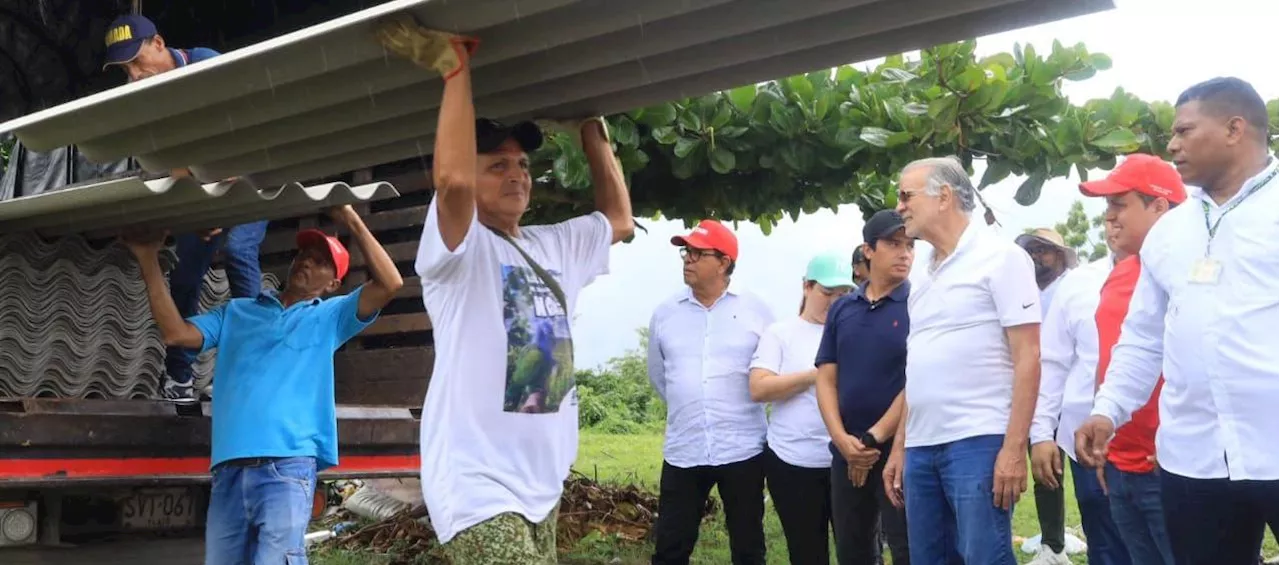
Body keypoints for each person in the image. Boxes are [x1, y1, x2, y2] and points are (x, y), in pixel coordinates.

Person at [384, 20, 635, 565]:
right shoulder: (458, 250)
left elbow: (619, 219)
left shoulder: (554, 246)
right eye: (496, 166)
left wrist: (590, 128)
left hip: (543, 485)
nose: (517, 174)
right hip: (476, 485)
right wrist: (456, 70)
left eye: (522, 164)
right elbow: (450, 183)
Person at [121, 204, 402, 564]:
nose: (306, 262)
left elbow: (391, 283)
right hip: (229, 469)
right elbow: (176, 333)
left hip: (286, 468)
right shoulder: (237, 311)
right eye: (303, 254)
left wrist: (348, 218)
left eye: (319, 261)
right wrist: (148, 259)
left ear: (333, 284)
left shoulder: (331, 316)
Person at [1076, 76, 1280, 565]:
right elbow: (1143, 337)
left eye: (1185, 131)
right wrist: (1109, 410)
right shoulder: (1169, 232)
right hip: (1194, 457)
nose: (1172, 145)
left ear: (1235, 128)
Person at [103, 13, 269, 401]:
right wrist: (199, 206)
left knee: (240, 250)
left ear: (159, 43)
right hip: (200, 187)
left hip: (248, 178)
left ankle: (254, 365)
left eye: (138, 60)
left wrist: (213, 195)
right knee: (185, 277)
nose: (135, 74)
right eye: (125, 69)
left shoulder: (207, 65)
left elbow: (244, 134)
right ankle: (179, 378)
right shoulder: (144, 96)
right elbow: (165, 161)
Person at [886, 156, 1041, 564]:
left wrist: (1013, 450)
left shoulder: (1001, 257)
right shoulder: (920, 272)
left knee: (984, 557)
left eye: (906, 195)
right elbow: (916, 366)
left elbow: (1028, 357)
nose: (899, 206)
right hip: (921, 446)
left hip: (978, 439)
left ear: (944, 197)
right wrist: (901, 445)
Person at [1076, 153, 1186, 565]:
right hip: (1121, 466)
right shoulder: (1122, 273)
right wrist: (1111, 438)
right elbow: (1114, 360)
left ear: (1159, 205)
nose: (1109, 217)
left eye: (1119, 204)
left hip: (1173, 467)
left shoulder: (1194, 269)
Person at [648, 219, 774, 565]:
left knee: (749, 547)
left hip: (743, 448)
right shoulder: (666, 313)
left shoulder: (756, 311)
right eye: (685, 252)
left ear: (724, 262)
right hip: (684, 448)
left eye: (697, 253)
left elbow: (772, 372)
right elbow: (659, 376)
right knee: (671, 546)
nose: (688, 259)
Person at [815, 210, 913, 565]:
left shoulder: (919, 305)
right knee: (853, 548)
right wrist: (843, 441)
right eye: (893, 243)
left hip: (899, 450)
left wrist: (872, 440)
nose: (904, 253)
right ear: (868, 250)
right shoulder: (843, 307)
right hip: (847, 450)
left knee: (906, 547)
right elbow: (826, 376)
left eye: (910, 245)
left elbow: (915, 382)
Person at [1028, 233, 1131, 565]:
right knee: (1104, 539)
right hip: (1083, 435)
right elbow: (1054, 362)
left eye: (1121, 205)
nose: (1111, 218)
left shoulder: (1174, 272)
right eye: (1109, 207)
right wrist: (1041, 432)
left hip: (1152, 435)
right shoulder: (1082, 284)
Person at [747, 251, 853, 565]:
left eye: (843, 294)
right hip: (792, 462)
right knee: (807, 552)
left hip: (847, 461)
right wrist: (815, 374)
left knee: (858, 549)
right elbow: (759, 388)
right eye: (827, 293)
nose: (834, 301)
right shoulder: (781, 333)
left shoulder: (854, 332)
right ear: (806, 287)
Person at [1015, 227, 1076, 565]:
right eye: (1032, 251)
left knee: (1073, 472)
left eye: (1044, 250)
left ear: (1060, 257)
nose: (1037, 257)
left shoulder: (1069, 289)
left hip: (1068, 395)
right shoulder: (1026, 293)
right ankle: (1053, 543)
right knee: (1044, 471)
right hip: (1033, 393)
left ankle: (1060, 543)